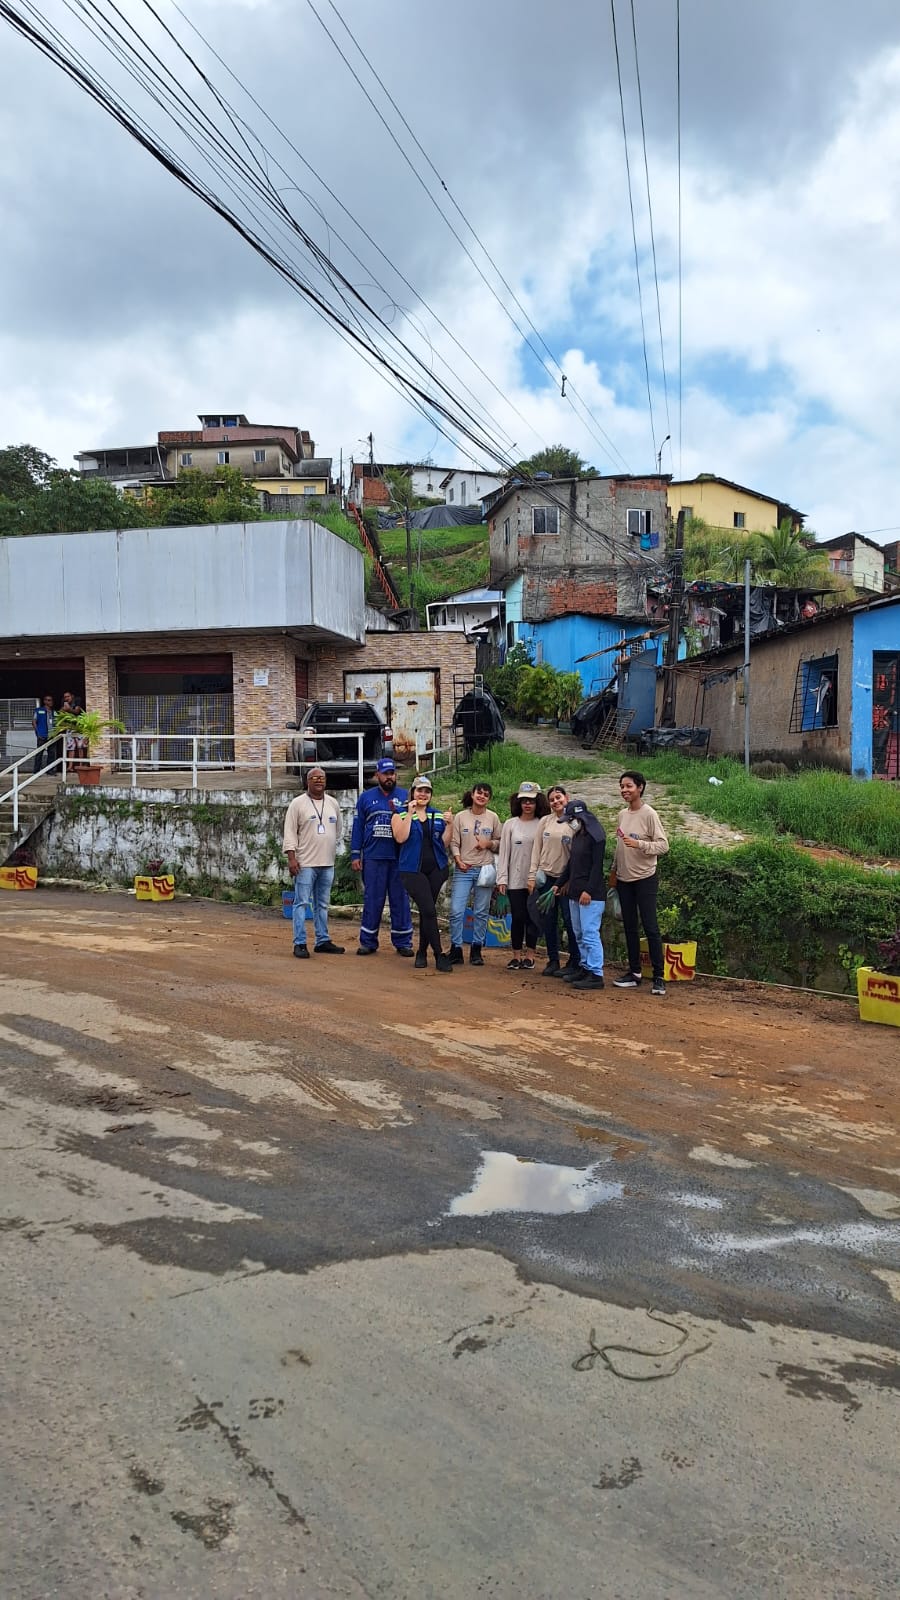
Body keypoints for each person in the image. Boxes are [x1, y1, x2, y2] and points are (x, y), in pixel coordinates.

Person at [611, 770, 670, 997]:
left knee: (651, 927)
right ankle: (634, 973)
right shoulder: (621, 815)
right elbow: (619, 845)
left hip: (645, 878)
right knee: (629, 926)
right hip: (624, 879)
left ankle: (658, 976)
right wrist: (614, 871)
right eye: (622, 787)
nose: (625, 790)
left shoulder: (649, 814)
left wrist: (640, 845)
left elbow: (663, 846)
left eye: (629, 786)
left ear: (640, 787)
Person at [350, 757, 414, 957]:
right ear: (377, 775)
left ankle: (403, 942)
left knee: (400, 900)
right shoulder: (366, 798)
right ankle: (368, 941)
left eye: (392, 773)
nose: (389, 777)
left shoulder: (405, 796)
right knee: (372, 900)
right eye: (385, 773)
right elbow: (358, 828)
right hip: (373, 858)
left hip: (399, 859)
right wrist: (355, 854)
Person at [391, 774, 454, 971]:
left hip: (436, 869)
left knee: (429, 913)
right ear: (412, 792)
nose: (423, 794)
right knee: (428, 910)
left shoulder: (437, 815)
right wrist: (410, 814)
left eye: (427, 791)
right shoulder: (399, 815)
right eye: (419, 790)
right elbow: (401, 838)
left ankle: (421, 952)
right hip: (412, 871)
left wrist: (450, 824)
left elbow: (443, 843)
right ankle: (439, 954)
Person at [282, 765, 345, 959]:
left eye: (322, 778)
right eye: (314, 778)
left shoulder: (333, 803)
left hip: (327, 863)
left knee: (322, 904)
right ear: (307, 781)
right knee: (301, 903)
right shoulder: (298, 804)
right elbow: (290, 832)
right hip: (305, 864)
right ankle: (299, 943)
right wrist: (292, 859)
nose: (319, 780)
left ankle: (322, 940)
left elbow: (339, 830)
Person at [527, 782, 580, 977]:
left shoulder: (575, 823)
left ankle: (574, 961)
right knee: (548, 920)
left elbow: (578, 855)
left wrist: (568, 881)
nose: (556, 801)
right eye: (552, 799)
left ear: (567, 798)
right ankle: (553, 959)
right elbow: (536, 849)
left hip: (565, 881)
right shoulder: (545, 822)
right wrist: (532, 875)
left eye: (559, 797)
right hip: (546, 879)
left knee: (569, 920)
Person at [448, 781, 502, 967]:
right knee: (456, 910)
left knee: (481, 911)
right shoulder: (461, 817)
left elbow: (500, 842)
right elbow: (454, 842)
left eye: (486, 794)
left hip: (485, 870)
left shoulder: (493, 818)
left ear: (489, 799)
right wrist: (458, 859)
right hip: (464, 868)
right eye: (479, 793)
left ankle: (477, 949)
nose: (482, 796)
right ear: (472, 795)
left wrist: (488, 844)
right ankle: (456, 948)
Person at [555, 798, 607, 991]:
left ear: (579, 817)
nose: (570, 822)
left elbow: (597, 867)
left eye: (572, 818)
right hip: (574, 893)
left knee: (589, 933)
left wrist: (588, 891)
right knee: (578, 933)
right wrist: (559, 884)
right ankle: (585, 967)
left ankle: (596, 973)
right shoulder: (578, 835)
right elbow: (571, 864)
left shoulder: (596, 837)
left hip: (590, 895)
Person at [497, 781, 548, 971]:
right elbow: (504, 854)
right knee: (518, 917)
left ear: (538, 803)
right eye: (524, 801)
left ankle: (531, 955)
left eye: (531, 801)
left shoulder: (542, 824)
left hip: (535, 880)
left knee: (532, 917)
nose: (527, 804)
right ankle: (516, 955)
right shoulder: (510, 824)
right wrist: (502, 878)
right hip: (514, 879)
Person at [32, 695, 55, 773]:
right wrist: (37, 733)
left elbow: (58, 722)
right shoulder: (38, 710)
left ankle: (50, 770)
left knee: (52, 754)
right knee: (39, 753)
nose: (51, 702)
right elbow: (34, 721)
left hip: (52, 735)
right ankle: (36, 771)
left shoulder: (54, 712)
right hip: (42, 735)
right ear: (45, 701)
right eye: (48, 700)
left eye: (51, 700)